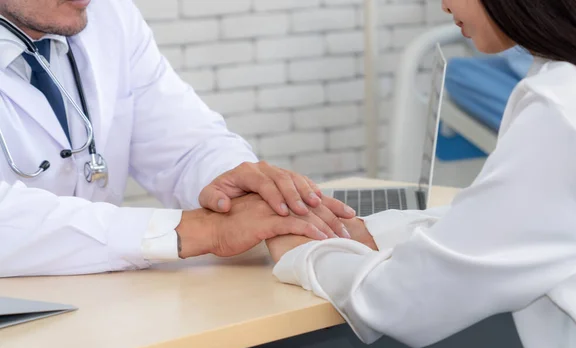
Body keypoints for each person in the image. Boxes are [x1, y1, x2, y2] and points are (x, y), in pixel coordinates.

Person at [268, 0, 576, 348]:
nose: (443, 4)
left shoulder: (559, 111)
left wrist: (302, 252)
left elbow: (405, 300)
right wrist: (369, 232)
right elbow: (500, 222)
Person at [0, 0, 356, 278]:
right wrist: (197, 229)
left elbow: (186, 143)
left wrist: (249, 195)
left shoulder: (108, 16)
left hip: (97, 303)